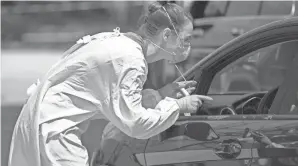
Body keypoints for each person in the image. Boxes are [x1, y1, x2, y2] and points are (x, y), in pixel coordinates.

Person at [8, 1, 212, 166]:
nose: (187, 46)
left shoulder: (124, 46)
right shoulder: (130, 60)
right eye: (185, 39)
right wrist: (178, 106)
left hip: (43, 124)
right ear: (167, 35)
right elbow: (136, 124)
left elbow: (115, 101)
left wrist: (160, 95)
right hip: (53, 133)